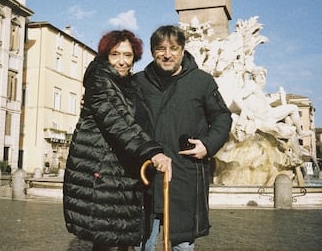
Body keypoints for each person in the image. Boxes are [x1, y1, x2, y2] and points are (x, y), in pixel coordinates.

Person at [63, 30, 172, 251]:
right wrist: (152, 151)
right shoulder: (99, 79)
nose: (122, 61)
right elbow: (118, 121)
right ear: (106, 55)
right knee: (106, 241)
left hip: (122, 174)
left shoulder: (127, 83)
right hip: (103, 173)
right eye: (115, 54)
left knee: (121, 239)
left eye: (128, 55)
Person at [134, 25, 232, 251]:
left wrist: (208, 144)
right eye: (160, 49)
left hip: (185, 174)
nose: (167, 54)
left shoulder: (202, 81)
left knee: (183, 246)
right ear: (152, 52)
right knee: (142, 245)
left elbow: (222, 117)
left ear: (182, 50)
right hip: (148, 175)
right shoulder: (139, 82)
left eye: (173, 48)